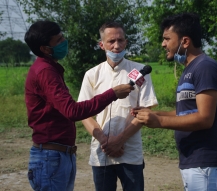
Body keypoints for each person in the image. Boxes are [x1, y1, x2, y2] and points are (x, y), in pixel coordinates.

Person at [24, 20, 134, 191]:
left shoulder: (51, 69)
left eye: (62, 37)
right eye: (58, 41)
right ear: (45, 49)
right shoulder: (45, 72)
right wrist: (112, 94)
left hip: (60, 155)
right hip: (51, 157)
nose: (64, 42)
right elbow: (72, 111)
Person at [133, 13, 217, 191]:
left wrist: (159, 122)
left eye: (167, 39)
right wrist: (154, 113)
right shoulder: (190, 68)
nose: (163, 44)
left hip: (205, 162)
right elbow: (185, 111)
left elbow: (204, 118)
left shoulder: (205, 67)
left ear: (185, 41)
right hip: (193, 160)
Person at [77, 21, 158, 191]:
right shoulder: (92, 74)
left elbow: (145, 110)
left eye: (120, 40)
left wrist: (119, 140)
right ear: (102, 45)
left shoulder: (140, 71)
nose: (116, 46)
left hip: (130, 152)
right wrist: (104, 140)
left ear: (126, 42)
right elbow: (84, 113)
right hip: (102, 151)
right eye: (111, 41)